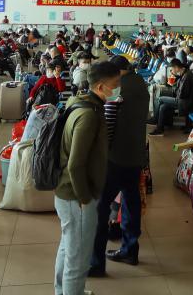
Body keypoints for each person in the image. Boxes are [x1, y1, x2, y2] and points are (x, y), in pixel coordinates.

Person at [54, 61, 121, 295]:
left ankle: (64, 291)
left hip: (68, 193)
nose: (118, 89)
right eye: (115, 84)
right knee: (79, 259)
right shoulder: (89, 115)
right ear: (101, 87)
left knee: (69, 247)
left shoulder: (80, 102)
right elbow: (75, 164)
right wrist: (84, 198)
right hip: (77, 196)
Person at [90, 56, 149, 275]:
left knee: (100, 208)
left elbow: (109, 124)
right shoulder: (141, 83)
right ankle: (130, 250)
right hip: (135, 156)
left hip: (115, 159)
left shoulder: (117, 87)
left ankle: (95, 263)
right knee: (131, 203)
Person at [149, 59, 193, 136]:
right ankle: (160, 129)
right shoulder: (184, 74)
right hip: (183, 100)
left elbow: (181, 94)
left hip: (185, 102)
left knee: (160, 99)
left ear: (176, 67)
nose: (171, 71)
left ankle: (155, 119)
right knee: (163, 107)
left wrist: (174, 86)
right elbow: (178, 89)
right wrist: (174, 80)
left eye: (172, 69)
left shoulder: (187, 76)